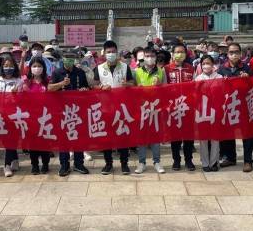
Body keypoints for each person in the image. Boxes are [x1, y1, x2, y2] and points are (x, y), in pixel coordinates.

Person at [94, 40, 134, 175]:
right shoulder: (99, 68)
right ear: (104, 53)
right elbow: (94, 85)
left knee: (122, 136)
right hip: (105, 107)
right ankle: (108, 163)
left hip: (122, 107)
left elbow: (132, 83)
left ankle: (124, 164)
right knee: (107, 137)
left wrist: (126, 84)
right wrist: (100, 87)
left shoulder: (124, 67)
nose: (111, 54)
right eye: (108, 52)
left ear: (117, 53)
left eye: (113, 52)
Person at [218, 42, 253, 172]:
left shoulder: (247, 68)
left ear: (241, 54)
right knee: (227, 132)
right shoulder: (221, 69)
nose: (234, 55)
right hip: (228, 106)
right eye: (231, 52)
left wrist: (248, 79)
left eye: (236, 52)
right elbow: (217, 87)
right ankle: (230, 157)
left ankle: (248, 161)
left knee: (246, 133)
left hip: (244, 106)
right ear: (227, 54)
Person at [49, 51, 91, 176]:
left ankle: (79, 164)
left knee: (78, 138)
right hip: (61, 111)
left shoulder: (80, 72)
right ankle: (64, 165)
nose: (69, 60)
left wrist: (85, 90)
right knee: (63, 140)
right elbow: (49, 88)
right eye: (67, 57)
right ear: (63, 58)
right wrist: (62, 84)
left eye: (72, 58)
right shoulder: (57, 72)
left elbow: (87, 88)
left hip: (77, 110)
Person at [134, 47, 167, 174]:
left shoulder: (161, 71)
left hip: (156, 108)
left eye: (152, 55)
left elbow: (166, 90)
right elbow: (131, 90)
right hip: (141, 108)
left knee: (155, 136)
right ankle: (142, 163)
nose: (150, 58)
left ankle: (157, 162)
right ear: (143, 57)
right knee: (141, 136)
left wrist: (160, 85)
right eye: (147, 56)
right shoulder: (137, 71)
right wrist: (138, 89)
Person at [0, 55, 24, 177]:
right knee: (6, 139)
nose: (8, 68)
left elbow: (22, 100)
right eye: (5, 66)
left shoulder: (19, 80)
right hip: (0, 113)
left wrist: (16, 95)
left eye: (10, 66)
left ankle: (7, 165)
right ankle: (14, 160)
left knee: (12, 138)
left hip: (14, 114)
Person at [165, 43, 196, 171]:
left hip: (188, 107)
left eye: (182, 52)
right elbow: (163, 88)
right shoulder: (166, 69)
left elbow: (195, 87)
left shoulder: (191, 68)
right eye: (177, 52)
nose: (179, 54)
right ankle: (176, 160)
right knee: (175, 137)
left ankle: (189, 160)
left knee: (189, 136)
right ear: (172, 54)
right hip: (173, 108)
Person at [22, 57, 52, 175]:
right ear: (30, 68)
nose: (37, 69)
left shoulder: (48, 81)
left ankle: (45, 164)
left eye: (39, 66)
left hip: (45, 117)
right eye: (34, 66)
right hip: (31, 117)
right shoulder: (27, 82)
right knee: (33, 142)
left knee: (45, 142)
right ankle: (34, 165)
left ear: (43, 68)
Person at [195, 55, 223, 172]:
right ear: (201, 65)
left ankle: (214, 162)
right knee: (203, 139)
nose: (206, 65)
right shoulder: (197, 78)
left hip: (215, 110)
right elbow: (194, 95)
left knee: (215, 138)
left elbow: (222, 93)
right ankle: (205, 163)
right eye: (204, 63)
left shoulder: (219, 77)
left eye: (208, 63)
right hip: (202, 111)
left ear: (213, 65)